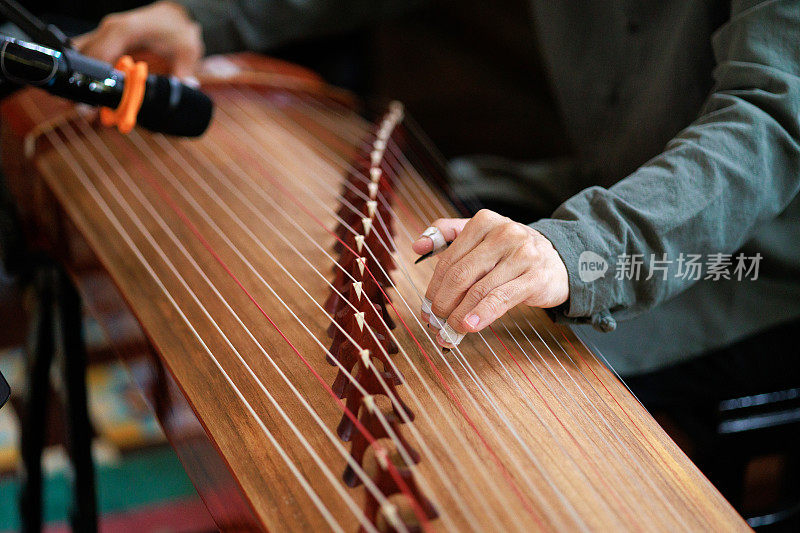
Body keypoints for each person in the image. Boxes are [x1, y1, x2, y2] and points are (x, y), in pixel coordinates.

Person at [72, 1, 800, 379]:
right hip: (611, 177)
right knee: (377, 272)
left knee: (466, 382)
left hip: (750, 254)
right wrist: (208, 17)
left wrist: (580, 248)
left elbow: (771, 121)